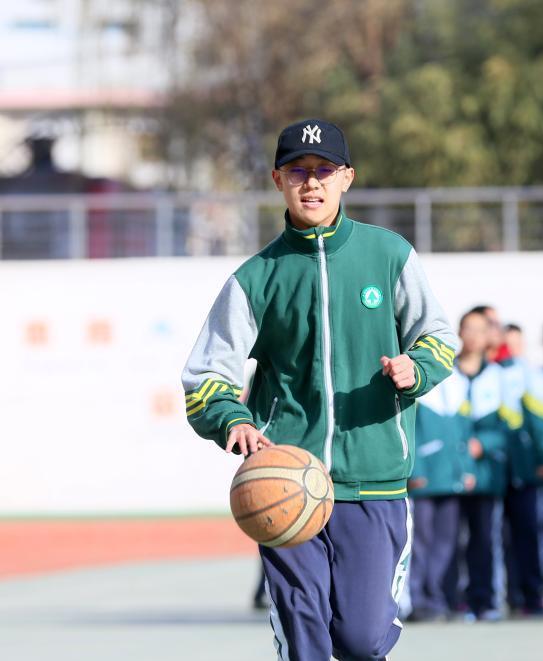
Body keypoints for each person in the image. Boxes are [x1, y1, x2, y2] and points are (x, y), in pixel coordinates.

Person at [182, 119, 458, 661]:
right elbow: (206, 373)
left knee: (361, 639)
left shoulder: (390, 255)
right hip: (283, 481)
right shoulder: (256, 277)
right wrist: (232, 419)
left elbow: (439, 338)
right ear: (277, 180)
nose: (312, 183)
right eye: (298, 172)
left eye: (324, 171)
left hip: (374, 483)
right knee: (304, 634)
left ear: (347, 178)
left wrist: (416, 368)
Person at [407, 312, 487, 622]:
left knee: (447, 543)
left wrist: (466, 469)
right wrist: (417, 472)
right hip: (424, 482)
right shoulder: (412, 378)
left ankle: (439, 598)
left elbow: (463, 433)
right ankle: (418, 600)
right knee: (421, 543)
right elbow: (410, 432)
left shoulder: (456, 381)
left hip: (451, 479)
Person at [496, 324, 543, 617]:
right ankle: (510, 595)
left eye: (514, 343)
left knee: (528, 533)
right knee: (498, 536)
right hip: (496, 472)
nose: (509, 348)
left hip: (525, 471)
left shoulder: (532, 376)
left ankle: (533, 594)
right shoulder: (490, 374)